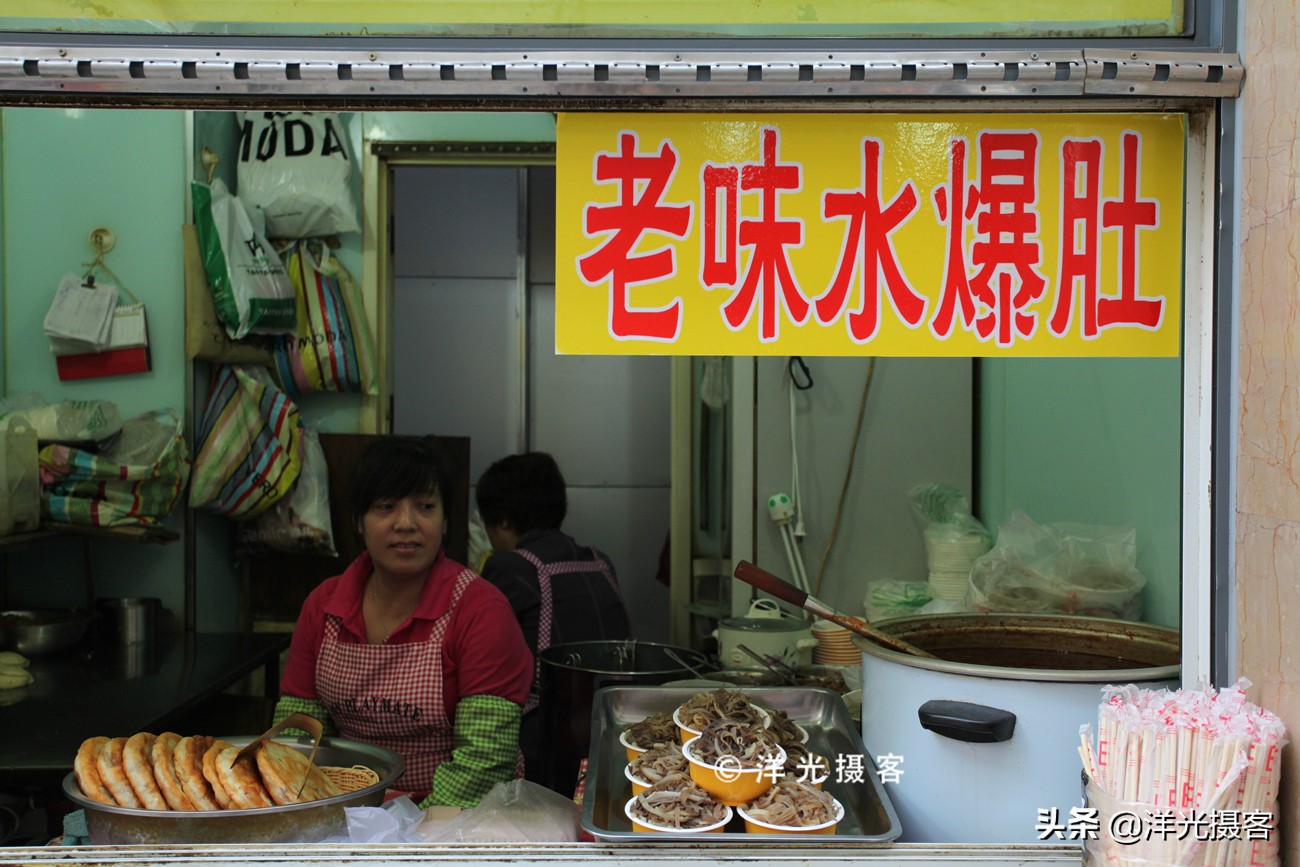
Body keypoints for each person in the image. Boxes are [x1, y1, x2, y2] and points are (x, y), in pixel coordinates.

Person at [272, 436, 533, 808]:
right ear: (358, 522)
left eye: (425, 506)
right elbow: (297, 738)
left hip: (458, 817)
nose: (406, 523)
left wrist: (404, 831)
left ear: (445, 522)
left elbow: (484, 761)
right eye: (386, 507)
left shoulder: (481, 610)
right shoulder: (323, 606)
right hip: (346, 809)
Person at [474, 451, 632, 789]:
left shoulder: (510, 569)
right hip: (613, 730)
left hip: (544, 748)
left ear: (501, 521)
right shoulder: (598, 560)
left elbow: (478, 652)